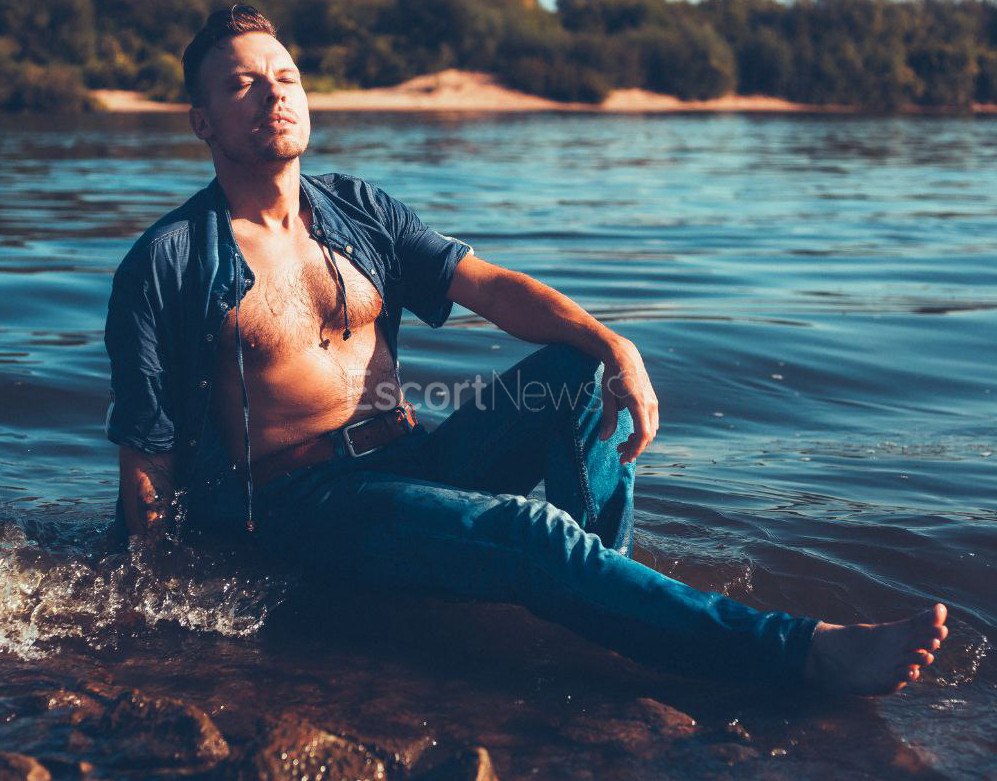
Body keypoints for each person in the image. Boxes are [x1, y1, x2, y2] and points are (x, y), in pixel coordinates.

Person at [104, 4, 947, 696]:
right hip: (306, 505)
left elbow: (491, 286)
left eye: (285, 77)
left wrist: (612, 343)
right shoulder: (168, 262)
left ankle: (600, 591)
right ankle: (801, 654)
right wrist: (157, 605)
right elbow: (147, 453)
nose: (273, 95)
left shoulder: (356, 208)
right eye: (242, 84)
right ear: (202, 120)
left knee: (573, 370)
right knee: (530, 530)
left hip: (410, 460)